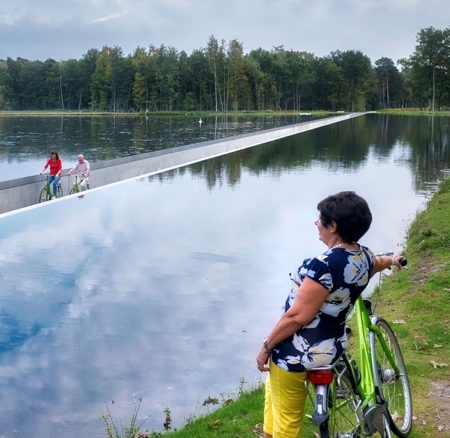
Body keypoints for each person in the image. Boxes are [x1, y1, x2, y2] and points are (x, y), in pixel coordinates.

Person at [256, 191, 404, 438]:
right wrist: (393, 260)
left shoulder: (323, 264)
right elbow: (380, 262)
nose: (316, 222)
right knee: (275, 405)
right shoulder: (363, 256)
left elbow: (296, 318)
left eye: (320, 219)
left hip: (296, 354)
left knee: (286, 424)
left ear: (333, 226)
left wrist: (266, 346)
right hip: (331, 349)